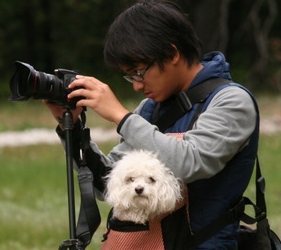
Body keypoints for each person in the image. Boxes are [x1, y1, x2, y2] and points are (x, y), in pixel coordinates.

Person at [44, 0, 259, 249]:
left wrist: (121, 117)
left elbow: (191, 162)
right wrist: (71, 128)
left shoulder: (231, 101)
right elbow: (107, 185)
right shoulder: (150, 109)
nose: (136, 85)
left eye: (138, 71)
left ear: (172, 54)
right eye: (129, 75)